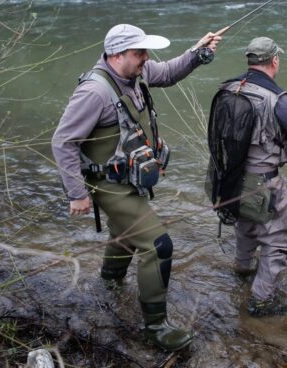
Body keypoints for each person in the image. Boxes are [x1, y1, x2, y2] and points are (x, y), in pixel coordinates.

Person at [51, 23, 221, 351]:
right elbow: (63, 141)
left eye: (146, 51)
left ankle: (110, 282)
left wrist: (198, 54)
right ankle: (155, 328)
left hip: (127, 179)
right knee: (158, 246)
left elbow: (170, 72)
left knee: (126, 233)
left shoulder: (135, 74)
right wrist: (77, 194)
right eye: (139, 52)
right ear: (116, 55)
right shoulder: (94, 92)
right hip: (108, 185)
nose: (146, 57)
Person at [217, 36, 287, 317]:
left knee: (246, 226)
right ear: (274, 61)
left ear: (249, 61)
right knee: (277, 243)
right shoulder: (279, 101)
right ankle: (260, 301)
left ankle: (242, 269)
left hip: (230, 178)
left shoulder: (228, 88)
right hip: (264, 183)